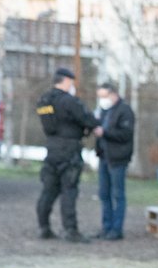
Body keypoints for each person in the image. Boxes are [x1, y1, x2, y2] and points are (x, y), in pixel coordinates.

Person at [35, 67, 101, 243]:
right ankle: (70, 230)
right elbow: (88, 119)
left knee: (48, 190)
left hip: (51, 148)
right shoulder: (69, 101)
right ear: (65, 81)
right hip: (69, 149)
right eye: (71, 82)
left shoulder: (44, 100)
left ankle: (43, 227)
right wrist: (93, 126)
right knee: (69, 190)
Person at [94, 82, 136, 240]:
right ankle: (106, 227)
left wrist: (105, 132)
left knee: (118, 194)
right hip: (104, 157)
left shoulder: (125, 111)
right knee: (104, 194)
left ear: (113, 94)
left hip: (118, 158)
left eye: (104, 96)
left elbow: (125, 134)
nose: (102, 100)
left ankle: (117, 229)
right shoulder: (105, 111)